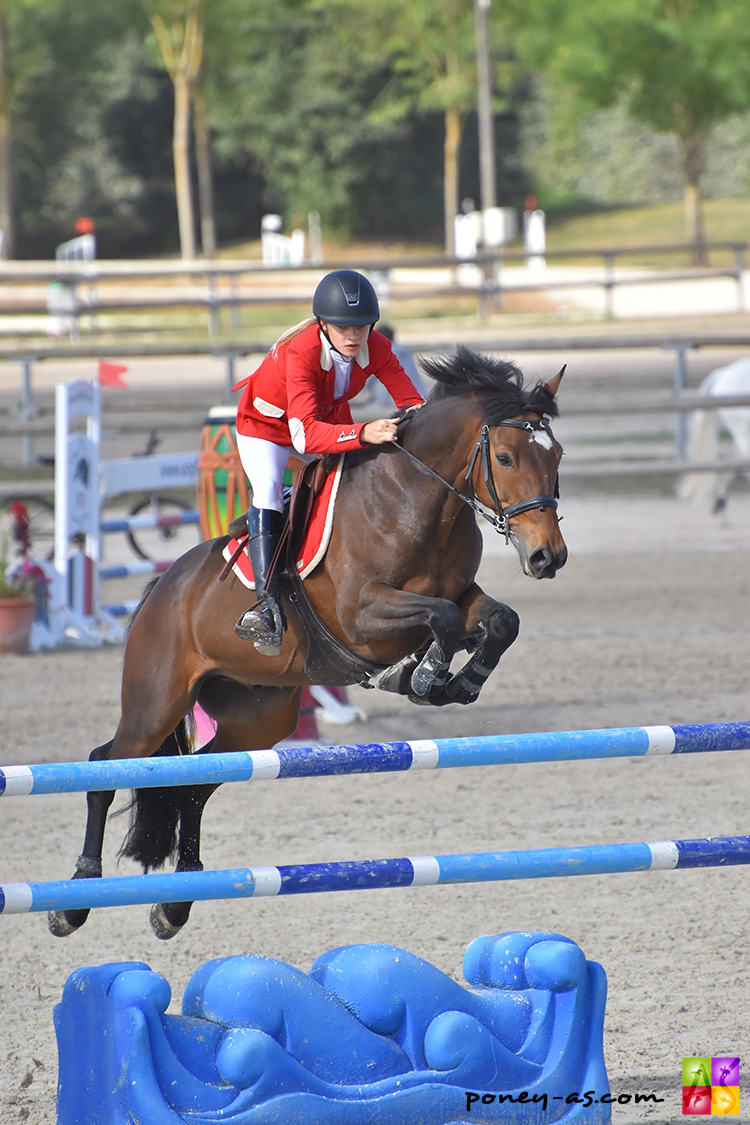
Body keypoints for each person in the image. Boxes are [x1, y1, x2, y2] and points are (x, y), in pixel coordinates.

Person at [231, 269, 425, 655]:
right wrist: (364, 432)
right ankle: (266, 605)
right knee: (269, 487)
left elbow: (414, 404)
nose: (353, 337)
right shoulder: (299, 351)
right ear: (322, 324)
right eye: (342, 328)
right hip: (266, 427)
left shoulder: (378, 347)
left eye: (361, 327)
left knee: (358, 474)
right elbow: (303, 437)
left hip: (326, 415)